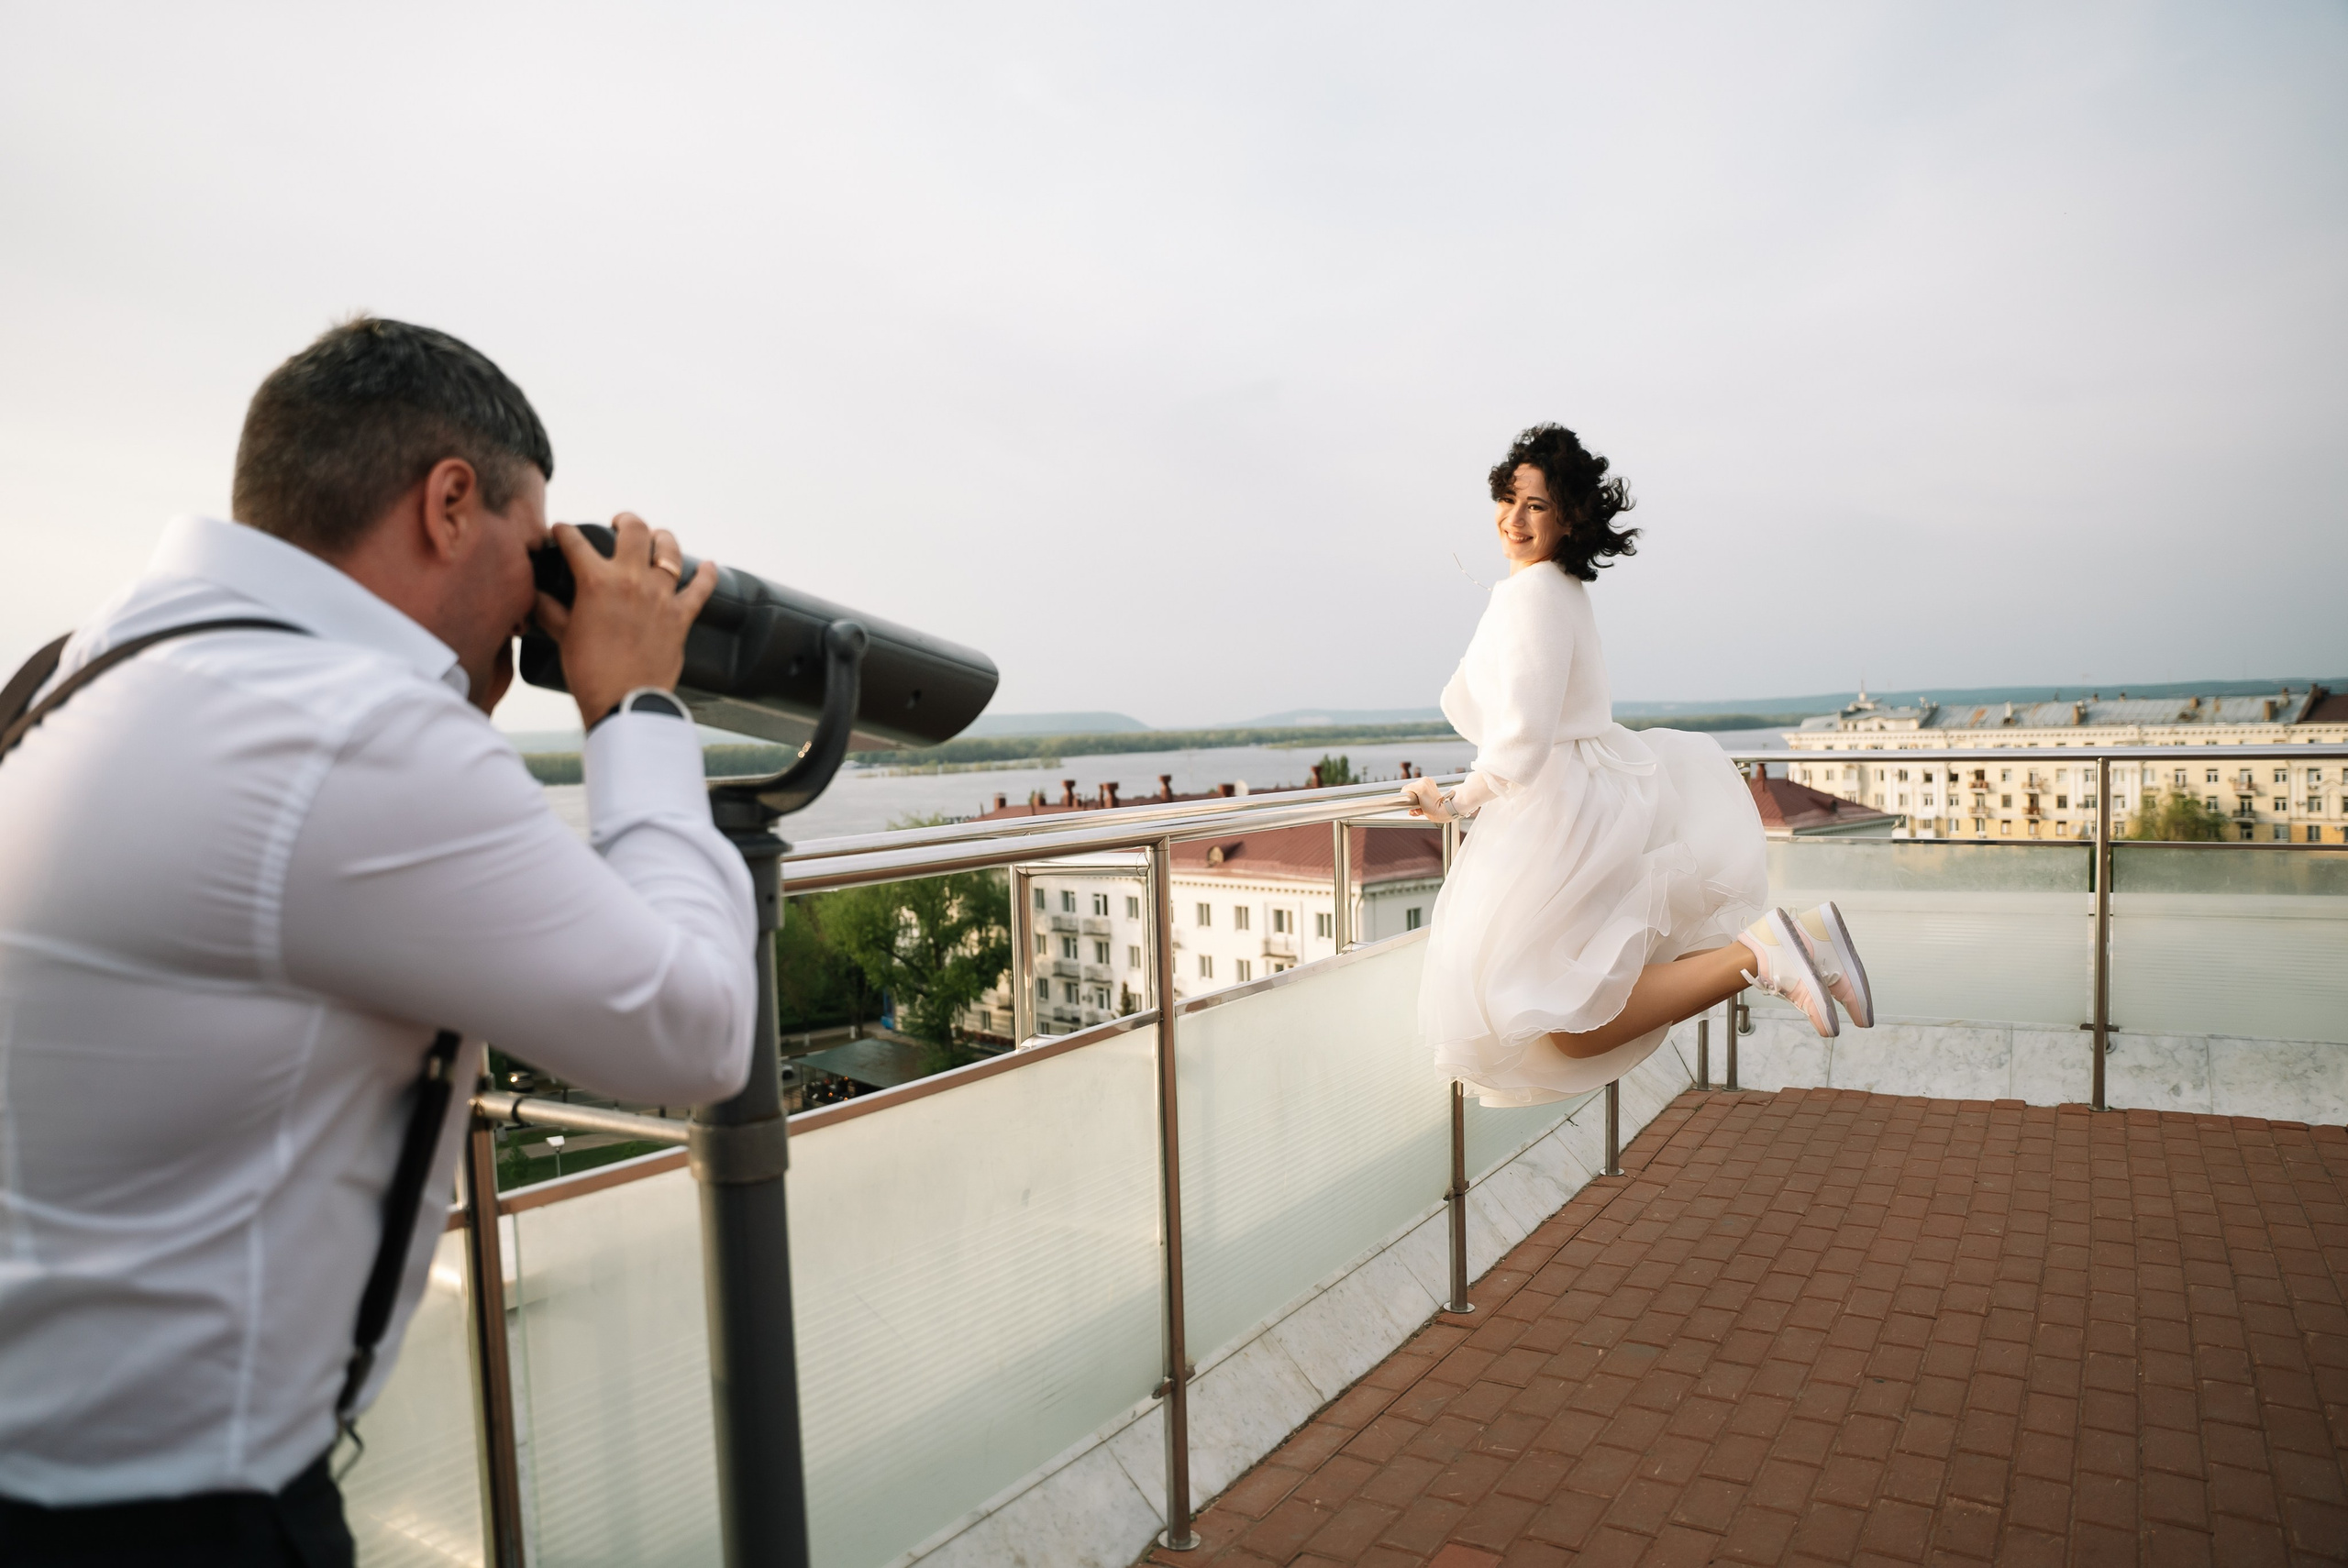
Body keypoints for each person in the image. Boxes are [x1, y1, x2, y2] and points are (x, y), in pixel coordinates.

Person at [0, 318, 759, 1564]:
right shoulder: (338, 729)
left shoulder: (80, 671)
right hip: (177, 1523)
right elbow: (695, 1027)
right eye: (536, 552)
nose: (536, 603)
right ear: (448, 502)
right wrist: (636, 706)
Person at [1401, 424, 1873, 1106]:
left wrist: (1457, 800)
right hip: (1582, 795)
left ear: (1568, 517)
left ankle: (1761, 953)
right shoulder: (1559, 587)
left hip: (1553, 810)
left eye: (1536, 504)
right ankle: (1803, 943)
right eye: (1508, 499)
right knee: (1569, 1000)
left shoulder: (1531, 594)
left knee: (1555, 1009)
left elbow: (1524, 738)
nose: (1515, 518)